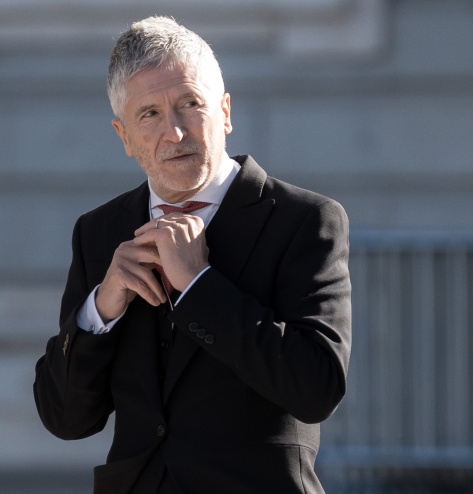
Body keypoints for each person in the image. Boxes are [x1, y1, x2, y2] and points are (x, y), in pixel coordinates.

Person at [34, 16, 351, 494]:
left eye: (190, 104)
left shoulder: (305, 220)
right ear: (124, 137)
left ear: (224, 112)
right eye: (150, 115)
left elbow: (316, 388)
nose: (175, 132)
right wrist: (100, 310)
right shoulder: (99, 233)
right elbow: (65, 418)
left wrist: (200, 285)